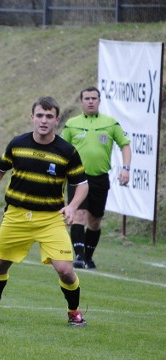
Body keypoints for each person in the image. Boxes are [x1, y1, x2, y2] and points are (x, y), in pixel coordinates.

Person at [0, 97, 89, 327]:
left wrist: (72, 206)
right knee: (1, 264)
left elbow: (82, 184)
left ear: (57, 120)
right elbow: (0, 167)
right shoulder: (18, 143)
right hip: (17, 215)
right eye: (39, 115)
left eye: (49, 116)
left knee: (66, 270)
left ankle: (74, 312)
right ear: (32, 118)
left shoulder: (67, 151)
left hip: (51, 219)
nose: (43, 121)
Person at [62, 86, 131, 270]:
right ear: (81, 101)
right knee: (78, 215)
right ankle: (78, 256)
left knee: (94, 220)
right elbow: (61, 149)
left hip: (100, 178)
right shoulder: (72, 124)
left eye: (94, 98)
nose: (91, 101)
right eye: (87, 98)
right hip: (77, 178)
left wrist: (126, 169)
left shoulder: (110, 123)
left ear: (99, 101)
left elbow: (125, 145)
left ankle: (88, 257)